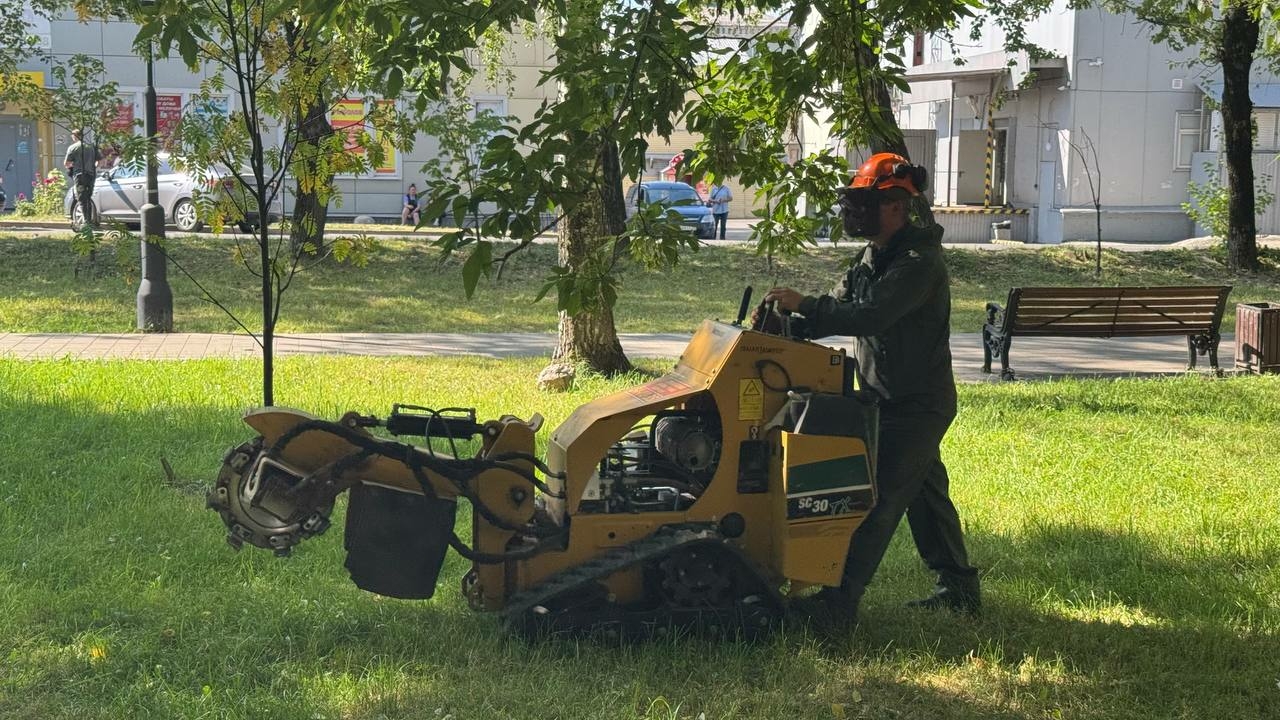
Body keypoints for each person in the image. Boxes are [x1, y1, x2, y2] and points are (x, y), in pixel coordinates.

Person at [763, 152, 979, 620]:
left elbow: (871, 315)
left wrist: (806, 303)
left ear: (898, 207)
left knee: (876, 499)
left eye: (866, 202)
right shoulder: (873, 257)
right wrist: (785, 332)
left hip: (918, 405)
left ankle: (838, 604)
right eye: (853, 202)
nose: (854, 211)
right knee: (926, 495)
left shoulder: (919, 263)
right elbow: (840, 310)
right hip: (886, 398)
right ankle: (959, 587)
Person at [63, 129, 102, 228]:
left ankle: (86, 223)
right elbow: (101, 161)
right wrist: (93, 168)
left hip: (79, 176)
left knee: (81, 198)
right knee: (88, 197)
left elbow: (66, 164)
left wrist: (73, 166)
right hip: (91, 176)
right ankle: (89, 220)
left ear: (74, 136)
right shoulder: (91, 146)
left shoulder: (73, 147)